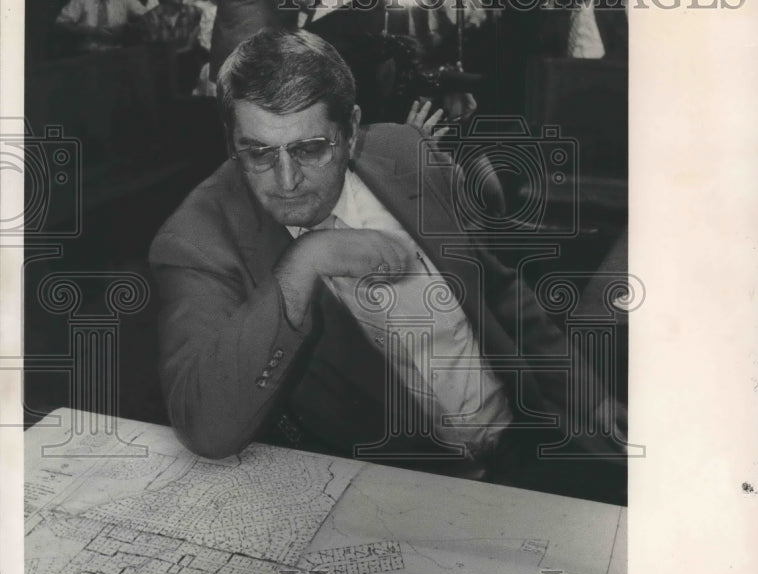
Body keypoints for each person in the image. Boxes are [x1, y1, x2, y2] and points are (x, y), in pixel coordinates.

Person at [150, 29, 626, 500]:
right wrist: (304, 263)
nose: (287, 180)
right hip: (400, 498)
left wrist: (590, 396)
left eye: (310, 148)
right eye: (257, 153)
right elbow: (205, 426)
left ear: (352, 130)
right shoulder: (197, 239)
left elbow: (498, 292)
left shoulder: (406, 153)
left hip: (528, 439)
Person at [141, 0, 203, 93]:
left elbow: (197, 32)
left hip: (185, 65)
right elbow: (151, 48)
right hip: (160, 67)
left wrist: (190, 44)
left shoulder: (193, 12)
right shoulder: (152, 17)